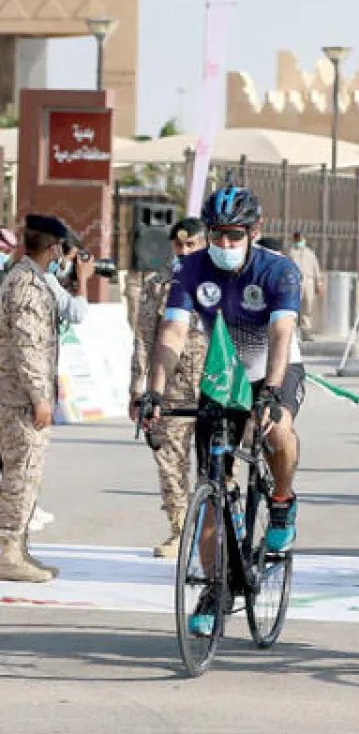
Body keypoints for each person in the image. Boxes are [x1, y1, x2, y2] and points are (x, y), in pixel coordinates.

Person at [139, 187, 304, 636]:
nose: (225, 246)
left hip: (275, 363)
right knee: (212, 480)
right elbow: (172, 332)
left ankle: (283, 501)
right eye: (217, 235)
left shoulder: (279, 271)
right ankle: (216, 586)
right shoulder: (191, 268)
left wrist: (270, 392)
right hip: (227, 370)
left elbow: (281, 334)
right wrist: (153, 390)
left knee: (277, 429)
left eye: (234, 236)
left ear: (254, 232)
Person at [0, 215, 84, 581]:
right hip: (18, 398)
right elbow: (28, 346)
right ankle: (7, 553)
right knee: (21, 476)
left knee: (26, 475)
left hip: (19, 393)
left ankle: (18, 549)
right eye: (60, 249)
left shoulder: (27, 279)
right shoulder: (27, 285)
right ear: (52, 248)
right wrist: (40, 396)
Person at [129, 218, 209, 558]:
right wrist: (138, 386)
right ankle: (179, 530)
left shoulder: (220, 282)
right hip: (172, 389)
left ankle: (214, 531)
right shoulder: (158, 284)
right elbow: (145, 336)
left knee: (217, 463)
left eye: (192, 244)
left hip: (212, 385)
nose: (185, 251)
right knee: (170, 460)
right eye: (179, 245)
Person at [288, 231, 324, 341]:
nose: (300, 241)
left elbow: (316, 268)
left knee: (307, 306)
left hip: (309, 282)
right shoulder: (291, 253)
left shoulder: (310, 253)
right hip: (295, 282)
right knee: (293, 307)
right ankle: (292, 332)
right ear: (294, 240)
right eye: (298, 239)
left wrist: (319, 283)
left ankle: (306, 331)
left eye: (301, 239)